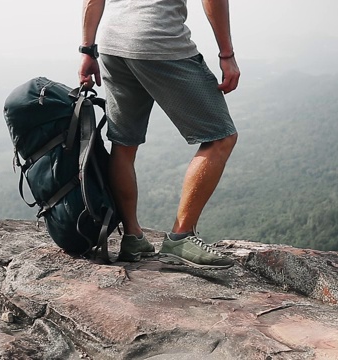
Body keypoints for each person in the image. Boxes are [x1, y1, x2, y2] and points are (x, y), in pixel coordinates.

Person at [78, 0, 239, 269]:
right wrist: (226, 53)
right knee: (221, 137)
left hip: (112, 45)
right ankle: (181, 237)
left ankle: (132, 238)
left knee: (123, 143)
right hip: (159, 40)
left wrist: (87, 50)